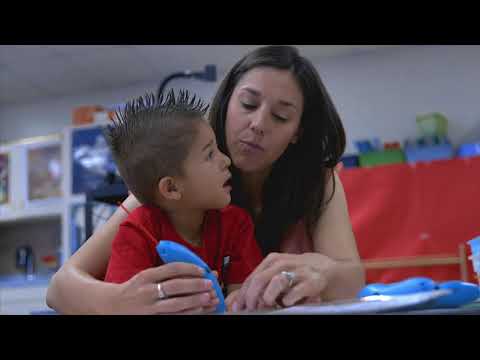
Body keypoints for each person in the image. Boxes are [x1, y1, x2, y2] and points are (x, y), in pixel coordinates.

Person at [46, 45, 365, 314]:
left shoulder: (317, 182)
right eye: (248, 104)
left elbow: (352, 276)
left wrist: (323, 272)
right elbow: (61, 287)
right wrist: (118, 301)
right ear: (227, 104)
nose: (257, 124)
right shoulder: (176, 181)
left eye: (281, 116)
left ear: (298, 131)